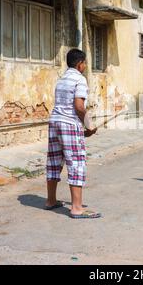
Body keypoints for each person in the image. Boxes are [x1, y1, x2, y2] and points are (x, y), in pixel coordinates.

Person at [45, 49, 100, 219]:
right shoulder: (80, 79)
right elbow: (78, 106)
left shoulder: (61, 80)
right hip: (69, 123)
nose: (85, 66)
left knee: (54, 161)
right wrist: (89, 125)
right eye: (85, 63)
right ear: (80, 64)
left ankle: (51, 201)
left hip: (54, 122)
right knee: (76, 162)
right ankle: (76, 208)